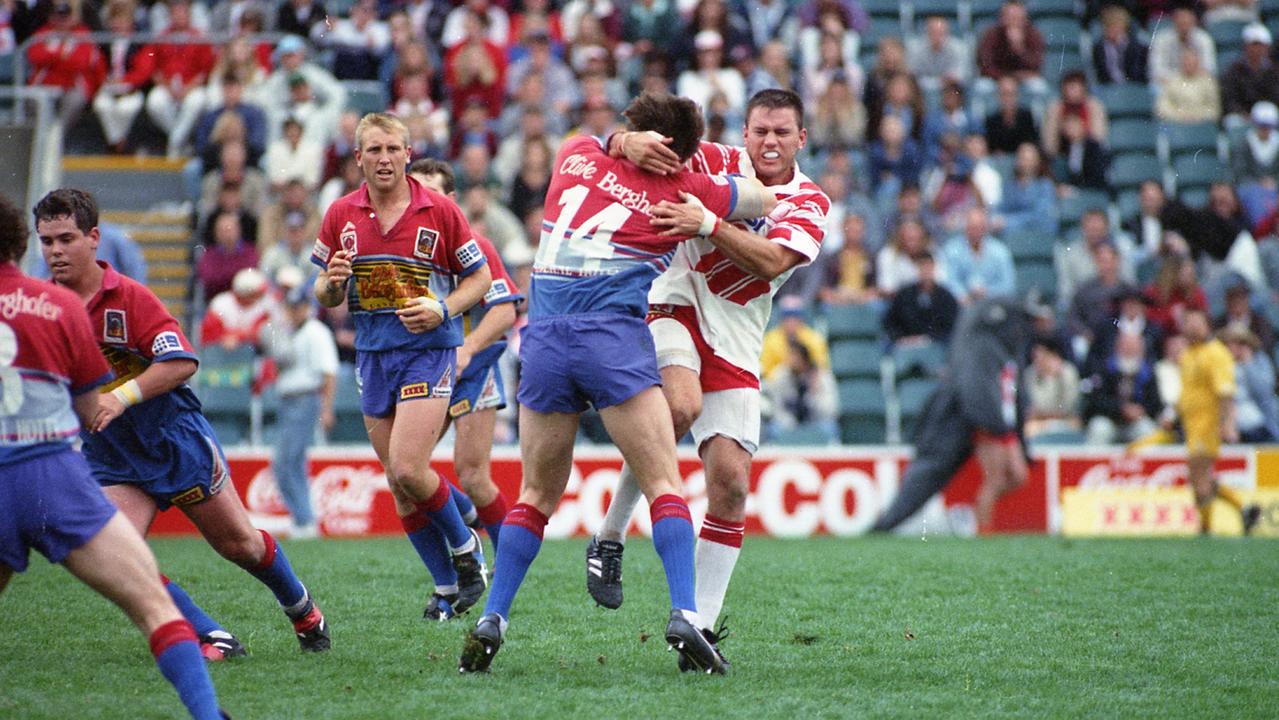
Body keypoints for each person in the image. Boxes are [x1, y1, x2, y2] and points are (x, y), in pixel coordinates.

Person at [456, 92, 776, 674]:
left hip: (545, 341)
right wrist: (700, 184)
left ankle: (493, 619)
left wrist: (618, 143)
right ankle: (684, 612)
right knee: (663, 482)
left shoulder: (576, 154)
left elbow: (591, 141)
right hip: (610, 342)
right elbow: (762, 197)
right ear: (679, 150)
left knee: (535, 496)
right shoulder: (683, 190)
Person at [586, 89, 828, 667]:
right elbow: (620, 153)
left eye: (782, 132)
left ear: (801, 139)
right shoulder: (713, 161)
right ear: (743, 133)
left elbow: (771, 261)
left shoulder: (810, 199)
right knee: (678, 407)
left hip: (739, 334)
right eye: (760, 131)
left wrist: (709, 221)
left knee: (731, 485)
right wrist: (623, 140)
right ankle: (610, 535)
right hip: (671, 299)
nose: (770, 141)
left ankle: (697, 627)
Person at [36, 188, 330, 659]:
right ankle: (212, 635)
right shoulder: (45, 307)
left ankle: (302, 609)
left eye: (65, 238)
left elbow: (182, 362)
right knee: (118, 556)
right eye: (46, 241)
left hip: (173, 439)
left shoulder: (129, 298)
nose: (54, 251)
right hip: (111, 454)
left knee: (241, 546)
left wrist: (121, 395)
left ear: (93, 238)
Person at [0, 194, 226, 719]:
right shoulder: (59, 306)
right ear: (21, 243)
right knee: (151, 603)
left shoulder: (108, 297)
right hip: (52, 473)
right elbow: (88, 409)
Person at [311, 113, 492, 620]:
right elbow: (324, 294)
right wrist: (333, 283)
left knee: (411, 467)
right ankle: (447, 588)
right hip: (373, 354)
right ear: (358, 159)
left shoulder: (439, 209)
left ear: (408, 154)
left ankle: (466, 550)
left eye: (393, 148)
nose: (384, 158)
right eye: (374, 150)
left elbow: (479, 281)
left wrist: (443, 308)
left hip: (429, 349)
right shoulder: (340, 214)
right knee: (398, 481)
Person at [406, 157, 521, 621]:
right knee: (405, 476)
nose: (424, 203)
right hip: (421, 371)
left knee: (472, 474)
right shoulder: (402, 251)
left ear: (450, 201)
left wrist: (468, 348)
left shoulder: (475, 245)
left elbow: (505, 310)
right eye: (418, 193)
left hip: (471, 369)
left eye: (434, 194)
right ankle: (457, 568)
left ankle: (507, 559)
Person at [872, 297, 1033, 534]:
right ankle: (979, 525)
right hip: (988, 425)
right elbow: (979, 391)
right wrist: (996, 425)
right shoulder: (985, 348)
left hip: (997, 424)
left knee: (1016, 476)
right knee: (997, 478)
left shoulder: (999, 351)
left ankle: (971, 517)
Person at [259, 285, 337, 538]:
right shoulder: (291, 331)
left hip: (304, 399)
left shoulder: (316, 332)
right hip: (289, 400)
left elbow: (328, 373)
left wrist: (326, 408)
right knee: (292, 462)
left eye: (297, 307)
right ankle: (304, 520)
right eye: (290, 307)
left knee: (286, 461)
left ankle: (304, 519)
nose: (293, 312)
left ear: (307, 308)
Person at [1174, 308, 1261, 534]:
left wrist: (1226, 423)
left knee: (1200, 478)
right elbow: (1188, 391)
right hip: (1191, 425)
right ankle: (1242, 509)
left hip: (1208, 424)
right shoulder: (1189, 353)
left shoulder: (1216, 353)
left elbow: (1225, 393)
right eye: (1188, 322)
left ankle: (1208, 525)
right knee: (1199, 478)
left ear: (1206, 324)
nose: (1191, 326)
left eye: (1196, 321)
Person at [1083, 331, 1163, 444]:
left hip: (1136, 422)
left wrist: (1140, 410)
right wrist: (1121, 409)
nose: (1130, 350)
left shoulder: (1148, 373)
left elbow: (1155, 403)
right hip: (1110, 420)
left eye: (1134, 347)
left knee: (1148, 431)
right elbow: (1096, 401)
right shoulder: (1105, 369)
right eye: (1126, 346)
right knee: (1099, 429)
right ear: (1118, 347)